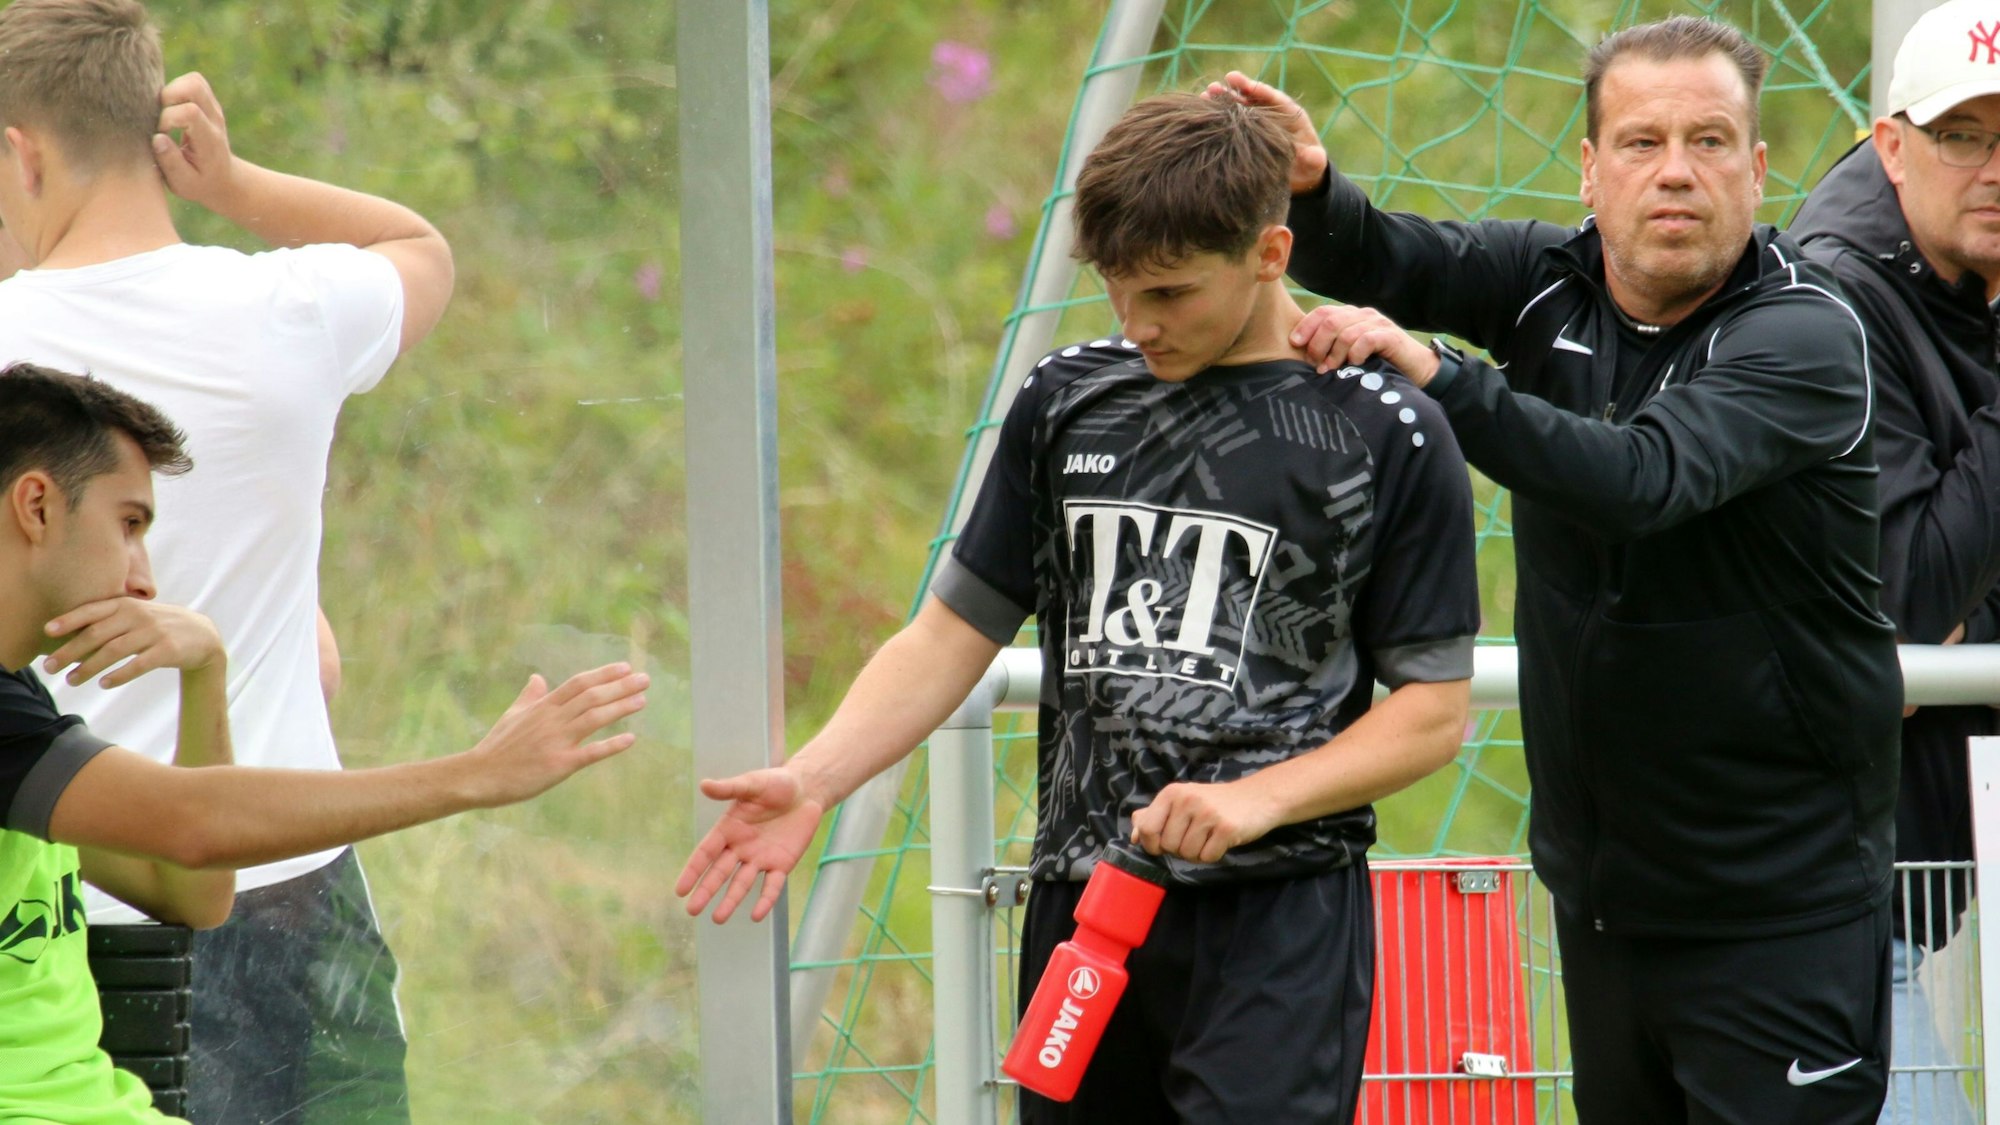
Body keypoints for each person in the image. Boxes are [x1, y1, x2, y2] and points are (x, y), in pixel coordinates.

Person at [676, 93, 1480, 1121]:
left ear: (1271, 251)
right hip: (1084, 912)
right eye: (1113, 289)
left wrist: (1253, 801)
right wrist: (812, 781)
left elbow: (1429, 713)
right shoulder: (1064, 398)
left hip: (1277, 920)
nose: (1137, 323)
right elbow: (950, 632)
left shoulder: (1385, 430)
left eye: (1171, 292)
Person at [1219, 13, 1903, 1123]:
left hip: (1777, 915)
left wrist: (1443, 377)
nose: (1674, 172)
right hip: (1604, 909)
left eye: (1709, 141)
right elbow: (1398, 256)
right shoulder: (1550, 279)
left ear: (1757, 167)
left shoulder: (1805, 337)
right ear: (1589, 169)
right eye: (1640, 143)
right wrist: (1312, 190)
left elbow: (1637, 480)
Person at [0, 0, 453, 1119]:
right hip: (293, 883)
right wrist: (237, 186)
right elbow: (420, 251)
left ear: (20, 153)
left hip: (70, 896)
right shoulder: (293, 308)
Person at [0, 362, 648, 1125]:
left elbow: (196, 892)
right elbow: (193, 824)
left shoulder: (23, 702)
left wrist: (207, 670)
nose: (143, 579)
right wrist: (476, 775)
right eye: (130, 525)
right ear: (37, 505)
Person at [1788, 3, 2000, 1121]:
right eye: (1964, 134)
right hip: (1817, 907)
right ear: (1891, 145)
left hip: (1912, 879)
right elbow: (1911, 601)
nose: (1993, 169)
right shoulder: (1831, 305)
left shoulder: (1964, 283)